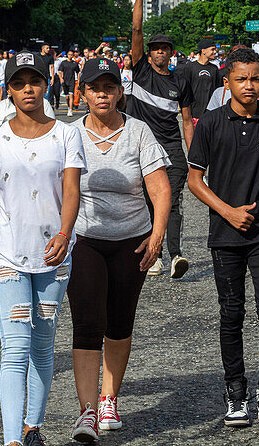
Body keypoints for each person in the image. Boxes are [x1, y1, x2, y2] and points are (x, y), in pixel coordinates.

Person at [0, 51, 85, 446]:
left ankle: (34, 427)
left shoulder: (66, 133)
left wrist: (64, 234)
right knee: (15, 348)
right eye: (19, 83)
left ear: (46, 84)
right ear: (8, 90)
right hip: (9, 255)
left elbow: (71, 189)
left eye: (34, 81)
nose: (27, 89)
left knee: (43, 345)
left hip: (55, 255)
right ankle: (11, 440)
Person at [187, 47, 259, 433]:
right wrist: (228, 211)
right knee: (231, 313)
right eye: (242, 79)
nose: (250, 85)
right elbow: (193, 180)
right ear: (228, 83)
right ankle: (236, 392)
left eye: (256, 78)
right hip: (224, 233)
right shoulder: (211, 123)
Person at [67, 57, 170, 441]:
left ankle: (109, 397)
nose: (102, 94)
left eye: (109, 87)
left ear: (120, 92)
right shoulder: (69, 134)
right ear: (83, 93)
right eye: (95, 87)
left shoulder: (138, 132)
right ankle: (87, 410)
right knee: (88, 322)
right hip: (85, 239)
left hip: (132, 239)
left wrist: (158, 235)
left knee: (120, 321)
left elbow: (160, 190)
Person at [129, 0, 194, 279]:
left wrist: (194, 156)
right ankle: (150, 254)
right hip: (140, 148)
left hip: (171, 149)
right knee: (147, 202)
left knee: (174, 201)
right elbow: (137, 28)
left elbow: (186, 120)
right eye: (155, 48)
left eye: (164, 48)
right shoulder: (140, 70)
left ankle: (175, 255)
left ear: (171, 53)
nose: (159, 52)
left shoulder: (181, 82)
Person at [180, 38, 220, 123]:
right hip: (194, 112)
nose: (215, 52)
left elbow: (217, 90)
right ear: (203, 51)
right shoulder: (190, 67)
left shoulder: (214, 69)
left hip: (211, 112)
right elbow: (185, 90)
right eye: (212, 49)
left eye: (215, 50)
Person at [58, 50, 81, 117]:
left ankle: (70, 110)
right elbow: (60, 71)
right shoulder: (63, 63)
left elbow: (78, 72)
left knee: (71, 96)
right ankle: (69, 107)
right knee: (67, 97)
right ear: (67, 55)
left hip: (72, 81)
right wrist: (61, 78)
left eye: (71, 55)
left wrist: (78, 80)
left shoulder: (75, 63)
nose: (70, 56)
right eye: (69, 54)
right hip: (65, 81)